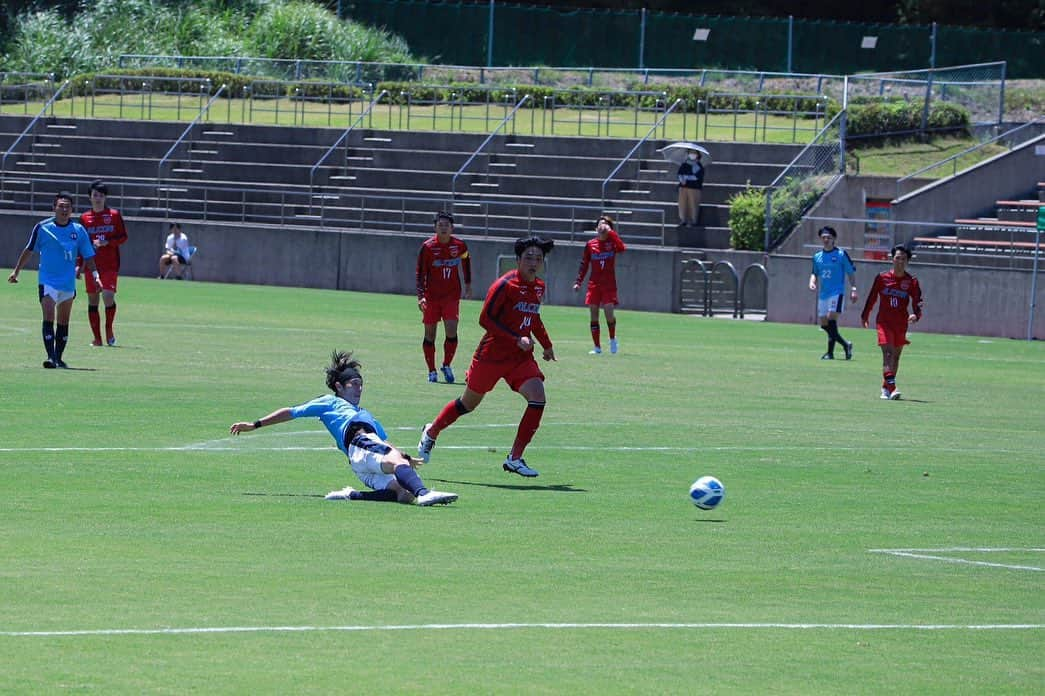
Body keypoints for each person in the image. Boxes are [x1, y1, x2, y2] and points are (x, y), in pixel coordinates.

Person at [229, 350, 457, 506]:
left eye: (361, 385)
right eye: (354, 384)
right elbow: (291, 411)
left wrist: (403, 456)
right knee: (402, 469)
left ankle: (352, 495)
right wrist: (255, 425)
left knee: (404, 494)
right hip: (358, 443)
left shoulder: (366, 415)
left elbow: (384, 443)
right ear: (339, 386)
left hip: (360, 459)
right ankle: (426, 494)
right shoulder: (330, 402)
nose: (359, 389)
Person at [418, 236, 556, 478]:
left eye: (538, 258)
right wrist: (516, 338)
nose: (533, 262)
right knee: (467, 404)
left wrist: (546, 344)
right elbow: (485, 319)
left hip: (519, 358)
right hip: (491, 356)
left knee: (538, 398)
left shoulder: (539, 286)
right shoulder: (504, 285)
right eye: (528, 258)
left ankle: (515, 458)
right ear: (518, 260)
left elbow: (534, 317)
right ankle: (432, 432)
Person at [8, 191, 101, 368]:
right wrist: (16, 272)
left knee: (64, 321)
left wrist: (96, 277)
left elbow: (89, 256)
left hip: (67, 282)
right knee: (49, 314)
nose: (64, 209)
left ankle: (59, 357)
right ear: (54, 208)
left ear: (72, 210)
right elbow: (29, 250)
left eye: (68, 207)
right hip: (47, 280)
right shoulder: (43, 228)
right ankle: (50, 357)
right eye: (61, 206)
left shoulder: (79, 230)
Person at [861, 244, 923, 400]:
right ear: (892, 259)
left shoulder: (912, 281)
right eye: (897, 258)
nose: (900, 261)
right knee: (887, 353)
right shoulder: (882, 278)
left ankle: (885, 388)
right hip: (884, 322)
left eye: (903, 259)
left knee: (895, 356)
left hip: (901, 323)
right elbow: (872, 297)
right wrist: (865, 315)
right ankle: (893, 387)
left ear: (907, 261)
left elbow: (918, 301)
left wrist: (916, 315)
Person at [416, 211, 472, 383]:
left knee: (451, 331)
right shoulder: (427, 247)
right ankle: (431, 371)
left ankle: (446, 364)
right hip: (431, 297)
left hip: (451, 297)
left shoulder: (460, 246)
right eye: (440, 225)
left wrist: (468, 284)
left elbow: (466, 262)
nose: (443, 228)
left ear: (452, 228)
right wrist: (421, 296)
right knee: (430, 334)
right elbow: (420, 273)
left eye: (446, 225)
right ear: (435, 227)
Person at [77, 180, 128, 347]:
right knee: (93, 300)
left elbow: (123, 237)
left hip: (110, 265)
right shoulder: (84, 218)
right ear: (90, 198)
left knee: (107, 296)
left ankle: (109, 329)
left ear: (105, 197)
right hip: (92, 266)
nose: (97, 198)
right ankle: (97, 338)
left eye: (101, 195)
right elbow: (80, 244)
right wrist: (79, 264)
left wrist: (108, 242)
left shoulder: (113, 215)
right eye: (95, 195)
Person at [573, 214, 627, 354]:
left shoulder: (612, 242)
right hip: (594, 284)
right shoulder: (591, 244)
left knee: (609, 313)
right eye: (600, 225)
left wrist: (612, 233)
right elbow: (584, 264)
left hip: (609, 284)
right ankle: (597, 347)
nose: (602, 227)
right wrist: (578, 282)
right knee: (594, 315)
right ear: (596, 228)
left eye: (605, 225)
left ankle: (613, 339)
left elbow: (622, 248)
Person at [808, 225, 857, 360]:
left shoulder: (841, 254)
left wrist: (854, 288)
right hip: (823, 293)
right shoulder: (817, 256)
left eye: (828, 237)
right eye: (823, 237)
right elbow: (814, 273)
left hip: (837, 292)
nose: (826, 240)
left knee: (831, 319)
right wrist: (812, 282)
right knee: (824, 324)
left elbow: (850, 272)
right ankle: (845, 345)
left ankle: (830, 353)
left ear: (834, 238)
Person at [676, 149, 704, 226]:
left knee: (693, 204)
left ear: (698, 155)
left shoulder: (698, 165)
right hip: (683, 188)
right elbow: (679, 174)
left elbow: (697, 177)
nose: (692, 154)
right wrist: (682, 179)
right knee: (682, 204)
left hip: (694, 188)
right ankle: (683, 219)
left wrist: (686, 178)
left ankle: (693, 220)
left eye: (694, 153)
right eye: (691, 152)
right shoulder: (684, 164)